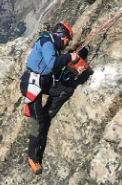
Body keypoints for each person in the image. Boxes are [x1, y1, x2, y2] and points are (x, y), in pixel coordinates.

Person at [19, 21, 89, 173]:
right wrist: (69, 57)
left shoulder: (51, 44)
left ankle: (45, 112)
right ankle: (33, 156)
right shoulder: (47, 43)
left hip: (40, 82)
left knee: (64, 91)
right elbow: (51, 64)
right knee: (37, 122)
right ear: (63, 37)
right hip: (32, 84)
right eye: (67, 41)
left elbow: (52, 65)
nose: (66, 44)